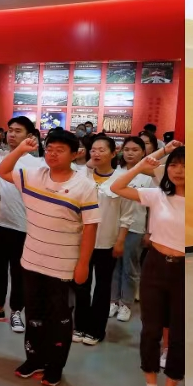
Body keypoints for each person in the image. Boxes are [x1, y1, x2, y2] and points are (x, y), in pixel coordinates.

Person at [0, 129, 98, 385]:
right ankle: (34, 359)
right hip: (31, 260)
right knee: (34, 315)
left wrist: (83, 264)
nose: (52, 154)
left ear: (74, 154)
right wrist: (21, 150)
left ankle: (55, 365)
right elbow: (2, 170)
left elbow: (90, 228)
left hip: (63, 265)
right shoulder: (33, 175)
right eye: (49, 148)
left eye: (60, 150)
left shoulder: (84, 186)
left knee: (59, 319)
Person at [111, 143, 185, 386]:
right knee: (150, 329)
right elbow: (117, 187)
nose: (178, 171)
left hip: (183, 270)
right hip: (155, 265)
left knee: (179, 334)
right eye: (173, 165)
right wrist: (143, 165)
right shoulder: (157, 195)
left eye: (184, 166)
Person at [0, 116, 43, 332]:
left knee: (19, 273)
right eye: (10, 130)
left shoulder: (37, 164)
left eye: (18, 131)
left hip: (23, 226)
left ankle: (16, 311)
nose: (12, 134)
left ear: (29, 136)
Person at [73, 134, 132, 344]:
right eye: (93, 150)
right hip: (82, 241)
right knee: (81, 283)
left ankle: (97, 330)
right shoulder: (82, 175)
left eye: (102, 150)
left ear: (113, 153)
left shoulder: (122, 178)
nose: (96, 153)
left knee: (103, 286)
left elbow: (127, 215)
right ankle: (79, 326)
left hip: (107, 241)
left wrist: (120, 241)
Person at [109, 135, 154, 319]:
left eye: (135, 150)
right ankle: (113, 301)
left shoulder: (149, 176)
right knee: (114, 266)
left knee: (130, 267)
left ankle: (126, 304)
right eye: (127, 149)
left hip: (136, 227)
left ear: (143, 152)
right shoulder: (116, 172)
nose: (130, 153)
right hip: (114, 227)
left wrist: (149, 231)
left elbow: (153, 207)